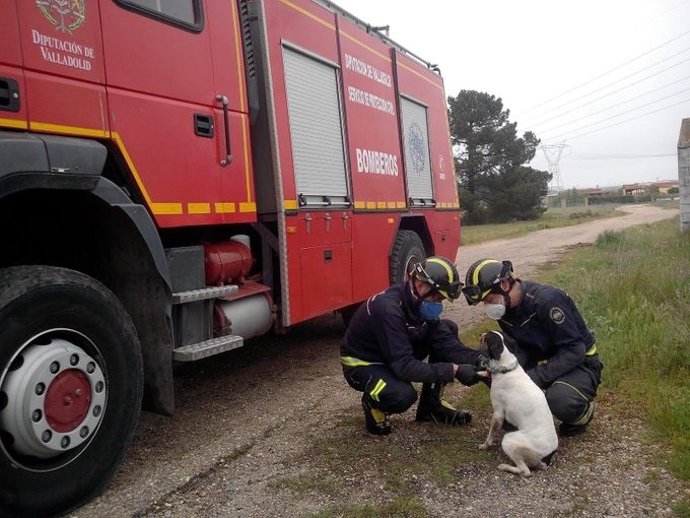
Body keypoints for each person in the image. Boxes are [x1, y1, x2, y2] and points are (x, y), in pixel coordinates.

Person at [340, 256, 489, 435]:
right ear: (420, 284)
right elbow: (404, 367)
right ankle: (373, 404)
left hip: (391, 354)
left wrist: (478, 358)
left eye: (442, 300)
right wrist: (454, 370)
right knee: (402, 395)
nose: (438, 304)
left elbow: (444, 342)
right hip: (363, 365)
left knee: (448, 328)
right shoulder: (388, 309)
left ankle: (431, 408)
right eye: (437, 297)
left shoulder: (418, 301)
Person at [462, 259, 603, 436]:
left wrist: (532, 378)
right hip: (544, 358)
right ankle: (520, 409)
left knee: (559, 400)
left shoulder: (547, 301)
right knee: (489, 358)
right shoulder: (505, 310)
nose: (488, 306)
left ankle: (583, 414)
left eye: (489, 299)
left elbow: (575, 350)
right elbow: (520, 348)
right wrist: (503, 373)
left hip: (579, 363)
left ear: (505, 284)